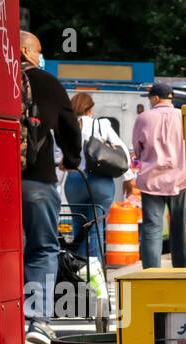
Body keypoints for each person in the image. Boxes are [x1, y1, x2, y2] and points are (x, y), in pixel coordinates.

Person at [20, 31, 81, 344]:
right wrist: (72, 160)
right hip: (37, 182)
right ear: (28, 51)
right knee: (42, 250)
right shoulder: (47, 82)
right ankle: (38, 321)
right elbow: (70, 126)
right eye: (40, 50)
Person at [64, 92, 134, 263]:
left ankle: (79, 272)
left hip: (74, 180)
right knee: (96, 229)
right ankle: (95, 276)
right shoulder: (101, 125)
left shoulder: (67, 126)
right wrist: (128, 178)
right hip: (99, 181)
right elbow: (122, 151)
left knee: (79, 228)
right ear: (89, 108)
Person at [132, 82, 186, 269]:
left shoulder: (144, 118)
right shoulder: (183, 116)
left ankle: (151, 270)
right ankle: (182, 268)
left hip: (151, 180)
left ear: (155, 98)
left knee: (152, 228)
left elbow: (137, 150)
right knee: (180, 227)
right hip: (180, 179)